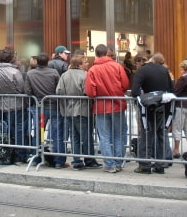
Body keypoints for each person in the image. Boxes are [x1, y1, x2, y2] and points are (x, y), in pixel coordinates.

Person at [85, 44, 130, 173]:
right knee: (119, 134)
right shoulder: (117, 66)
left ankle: (109, 164)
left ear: (96, 54)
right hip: (117, 104)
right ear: (106, 53)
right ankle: (118, 162)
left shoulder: (93, 70)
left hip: (101, 106)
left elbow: (90, 91)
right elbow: (125, 85)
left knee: (104, 136)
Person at [130, 52, 174, 174]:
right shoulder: (164, 70)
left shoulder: (142, 71)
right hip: (163, 106)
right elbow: (171, 89)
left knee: (146, 134)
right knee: (160, 134)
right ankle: (160, 165)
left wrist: (144, 96)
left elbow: (134, 91)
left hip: (147, 107)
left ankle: (144, 165)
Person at [56, 53, 101, 170]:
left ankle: (76, 161)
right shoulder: (85, 75)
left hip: (68, 110)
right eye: (85, 62)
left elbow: (59, 91)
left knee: (74, 136)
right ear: (80, 64)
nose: (88, 64)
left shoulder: (64, 75)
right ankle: (89, 159)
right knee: (86, 136)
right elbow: (88, 92)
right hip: (82, 109)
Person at [25, 52, 68, 168]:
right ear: (48, 62)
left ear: (37, 62)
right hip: (54, 106)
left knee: (39, 134)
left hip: (39, 107)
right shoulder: (53, 73)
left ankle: (37, 158)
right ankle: (59, 161)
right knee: (57, 134)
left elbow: (28, 91)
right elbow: (59, 89)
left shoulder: (30, 74)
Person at [0, 47, 29, 164]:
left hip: (5, 105)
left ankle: (15, 153)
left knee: (11, 129)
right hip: (18, 104)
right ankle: (21, 154)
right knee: (20, 129)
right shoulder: (15, 72)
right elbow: (22, 88)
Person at [172, 59, 187, 159]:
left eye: (181, 69)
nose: (180, 70)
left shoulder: (183, 79)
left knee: (177, 127)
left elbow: (176, 91)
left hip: (180, 105)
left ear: (185, 69)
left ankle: (176, 149)